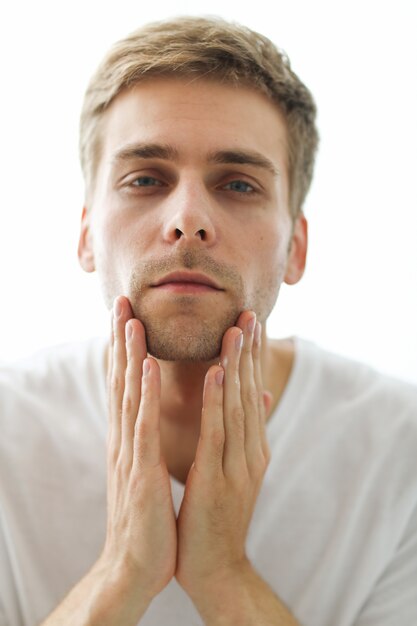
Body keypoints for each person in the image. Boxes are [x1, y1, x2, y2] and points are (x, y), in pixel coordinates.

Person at [0, 15, 416, 626]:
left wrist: (225, 577)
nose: (188, 219)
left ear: (295, 248)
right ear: (86, 235)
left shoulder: (400, 451)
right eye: (145, 179)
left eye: (238, 184)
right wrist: (121, 574)